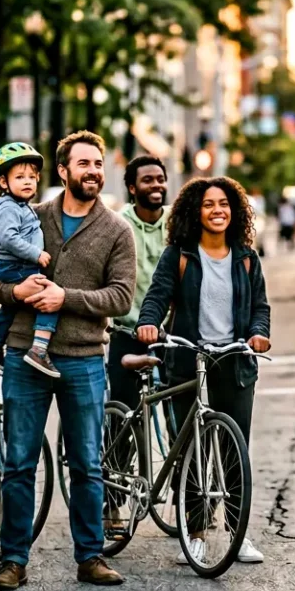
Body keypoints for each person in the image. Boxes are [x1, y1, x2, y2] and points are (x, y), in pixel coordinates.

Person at [0, 131, 135, 590]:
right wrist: (15, 292)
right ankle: (13, 560)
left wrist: (66, 297)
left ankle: (91, 556)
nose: (92, 171)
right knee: (19, 462)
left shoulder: (115, 230)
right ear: (63, 171)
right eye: (82, 163)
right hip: (24, 356)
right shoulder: (31, 215)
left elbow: (122, 297)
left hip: (85, 358)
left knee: (87, 463)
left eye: (97, 163)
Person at [135, 176, 272, 566]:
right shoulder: (179, 255)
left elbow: (260, 307)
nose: (217, 211)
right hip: (186, 357)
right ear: (196, 212)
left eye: (224, 204)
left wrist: (259, 334)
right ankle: (193, 533)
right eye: (209, 204)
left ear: (235, 211)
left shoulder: (246, 257)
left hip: (233, 357)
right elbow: (158, 295)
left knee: (233, 447)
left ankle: (235, 533)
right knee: (191, 449)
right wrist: (148, 323)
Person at [0, 142, 60, 376]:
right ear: (4, 182)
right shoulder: (8, 207)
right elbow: (8, 239)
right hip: (17, 266)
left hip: (15, 265)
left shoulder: (21, 205)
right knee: (48, 295)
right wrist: (35, 253)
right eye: (19, 177)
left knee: (9, 307)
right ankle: (39, 349)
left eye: (32, 177)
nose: (27, 181)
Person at [109, 155, 169, 412]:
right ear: (132, 189)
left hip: (170, 333)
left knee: (179, 415)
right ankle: (120, 450)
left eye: (160, 180)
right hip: (127, 331)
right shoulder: (117, 225)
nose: (156, 185)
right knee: (123, 414)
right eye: (148, 180)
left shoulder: (177, 223)